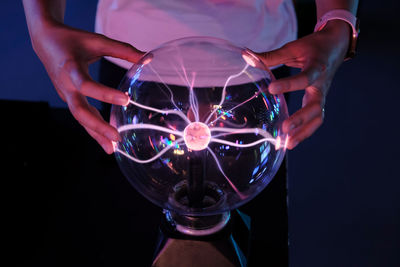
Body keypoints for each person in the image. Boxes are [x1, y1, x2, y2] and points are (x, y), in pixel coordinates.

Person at [22, 0, 358, 265]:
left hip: (260, 72)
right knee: (123, 232)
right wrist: (42, 26)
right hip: (130, 69)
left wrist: (339, 22)